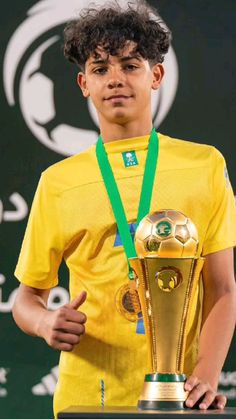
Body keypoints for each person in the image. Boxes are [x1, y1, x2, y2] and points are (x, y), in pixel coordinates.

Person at [13, 1, 236, 417]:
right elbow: (26, 299)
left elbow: (222, 289)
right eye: (100, 69)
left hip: (180, 397)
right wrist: (44, 323)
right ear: (83, 84)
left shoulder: (205, 165)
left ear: (156, 75)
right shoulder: (58, 182)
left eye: (130, 65)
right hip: (87, 397)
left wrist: (206, 375)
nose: (115, 79)